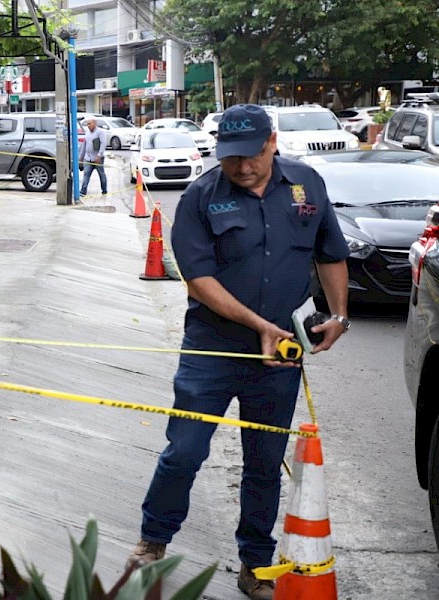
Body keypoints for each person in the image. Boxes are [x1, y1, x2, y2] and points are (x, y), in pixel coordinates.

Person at [126, 104, 350, 600]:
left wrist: (338, 315)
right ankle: (154, 538)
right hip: (212, 349)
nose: (242, 167)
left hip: (280, 358)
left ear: (272, 142)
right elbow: (199, 279)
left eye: (251, 156)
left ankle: (255, 562)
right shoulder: (201, 196)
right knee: (185, 449)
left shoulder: (307, 185)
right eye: (231, 159)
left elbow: (331, 252)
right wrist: (259, 326)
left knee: (264, 462)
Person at [78, 118, 108, 200]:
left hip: (97, 159)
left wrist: (99, 155)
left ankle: (104, 190)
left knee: (101, 174)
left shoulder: (100, 132)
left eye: (90, 124)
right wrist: (81, 157)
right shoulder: (87, 133)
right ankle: (83, 191)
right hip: (88, 158)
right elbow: (84, 145)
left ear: (95, 124)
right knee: (86, 174)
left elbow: (103, 144)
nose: (88, 126)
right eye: (87, 124)